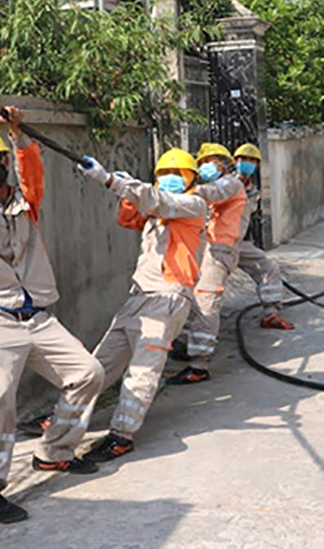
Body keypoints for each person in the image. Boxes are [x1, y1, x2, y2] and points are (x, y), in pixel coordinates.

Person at [0, 93, 104, 524]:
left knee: (87, 374)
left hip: (36, 316)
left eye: (0, 158)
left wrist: (19, 137)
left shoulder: (25, 206)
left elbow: (32, 176)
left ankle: (54, 450)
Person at [77, 148, 208, 461]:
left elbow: (159, 200)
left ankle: (122, 435)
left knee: (142, 371)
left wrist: (111, 180)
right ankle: (65, 417)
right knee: (99, 364)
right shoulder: (156, 211)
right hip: (139, 296)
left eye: (179, 174)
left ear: (191, 178)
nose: (171, 179)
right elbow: (129, 217)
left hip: (168, 297)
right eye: (164, 173)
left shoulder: (193, 204)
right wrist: (127, 195)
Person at [167, 143, 247, 385]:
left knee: (206, 301)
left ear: (223, 163)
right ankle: (190, 347)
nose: (206, 166)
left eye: (211, 161)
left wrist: (179, 186)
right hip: (209, 249)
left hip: (220, 250)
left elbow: (210, 194)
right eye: (202, 162)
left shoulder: (230, 183)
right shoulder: (219, 185)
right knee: (192, 299)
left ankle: (199, 365)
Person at [233, 143, 294, 331]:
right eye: (243, 159)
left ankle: (271, 313)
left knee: (268, 268)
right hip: (215, 244)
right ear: (235, 161)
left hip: (239, 242)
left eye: (251, 161)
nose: (246, 164)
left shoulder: (253, 190)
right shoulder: (224, 184)